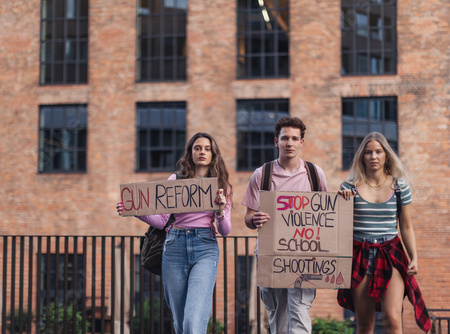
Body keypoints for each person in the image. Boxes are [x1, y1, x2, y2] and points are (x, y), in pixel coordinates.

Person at [116, 132, 233, 334]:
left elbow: (225, 231)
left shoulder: (221, 186)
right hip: (174, 248)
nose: (202, 152)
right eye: (197, 148)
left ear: (214, 154)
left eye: (207, 148)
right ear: (190, 153)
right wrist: (134, 210)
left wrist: (220, 211)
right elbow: (161, 221)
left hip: (205, 247)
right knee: (180, 323)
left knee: (193, 320)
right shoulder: (176, 180)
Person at [337, 132, 431, 334]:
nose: (373, 156)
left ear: (386, 155)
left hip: (390, 253)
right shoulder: (349, 187)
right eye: (368, 152)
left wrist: (414, 257)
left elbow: (406, 226)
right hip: (359, 253)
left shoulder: (399, 187)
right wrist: (342, 201)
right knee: (364, 324)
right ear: (362, 156)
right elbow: (338, 225)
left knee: (392, 320)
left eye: (378, 152)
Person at [242, 116, 328, 334]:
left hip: (304, 255)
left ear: (302, 142)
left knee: (299, 311)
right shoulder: (262, 174)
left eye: (294, 138)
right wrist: (255, 219)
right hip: (272, 255)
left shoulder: (315, 175)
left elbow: (327, 214)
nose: (289, 143)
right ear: (276, 141)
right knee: (278, 314)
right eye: (285, 138)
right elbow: (248, 216)